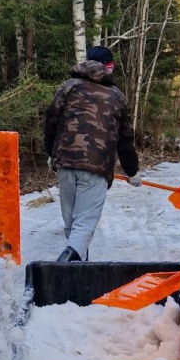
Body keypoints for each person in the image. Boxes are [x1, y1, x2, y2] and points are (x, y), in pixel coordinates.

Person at [44, 45, 141, 262]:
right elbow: (125, 139)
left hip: (65, 163)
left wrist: (52, 153)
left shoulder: (68, 87)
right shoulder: (116, 97)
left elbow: (51, 121)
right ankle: (64, 265)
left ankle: (78, 268)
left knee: (72, 224)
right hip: (96, 167)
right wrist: (132, 171)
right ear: (110, 67)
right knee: (84, 225)